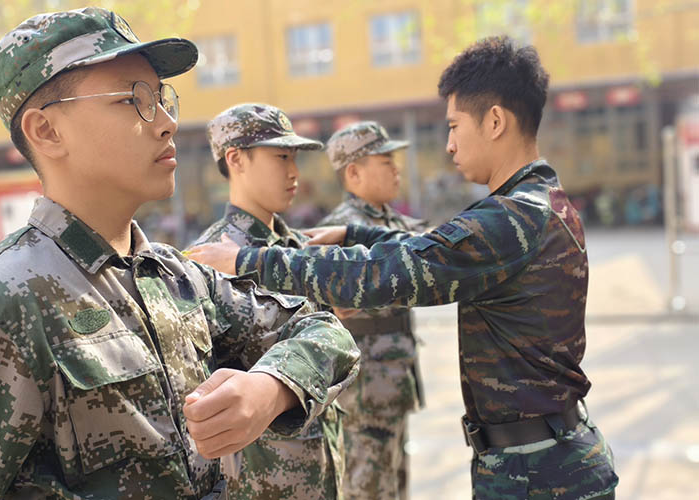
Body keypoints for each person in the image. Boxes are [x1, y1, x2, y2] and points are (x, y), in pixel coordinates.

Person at [0, 8, 359, 499]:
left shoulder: (177, 277)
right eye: (132, 100)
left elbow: (324, 331)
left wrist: (272, 387)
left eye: (163, 99)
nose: (167, 124)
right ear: (46, 132)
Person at [187, 36, 619, 499]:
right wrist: (356, 234)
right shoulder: (535, 205)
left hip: (539, 472)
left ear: (495, 121)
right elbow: (430, 248)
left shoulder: (513, 218)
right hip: (543, 457)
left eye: (454, 126)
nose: (449, 145)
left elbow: (396, 270)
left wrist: (251, 260)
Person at [187, 103, 346, 500]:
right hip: (264, 477)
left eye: (294, 158)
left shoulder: (296, 246)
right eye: (280, 157)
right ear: (236, 159)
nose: (294, 172)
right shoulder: (210, 260)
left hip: (324, 457)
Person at [318, 121, 426, 500]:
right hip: (365, 395)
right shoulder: (342, 229)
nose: (396, 168)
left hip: (393, 382)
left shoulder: (390, 222)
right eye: (385, 160)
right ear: (354, 172)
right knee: (367, 489)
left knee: (395, 485)